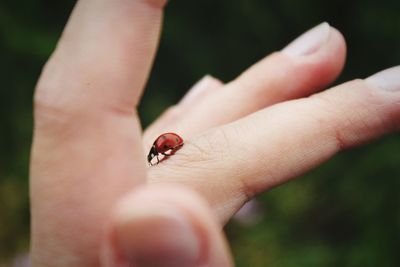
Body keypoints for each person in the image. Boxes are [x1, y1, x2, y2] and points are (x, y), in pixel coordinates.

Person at [30, 1, 400, 266]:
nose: (159, 154)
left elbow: (168, 146)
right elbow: (167, 146)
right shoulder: (161, 147)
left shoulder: (161, 147)